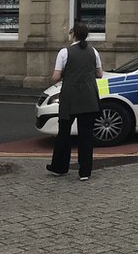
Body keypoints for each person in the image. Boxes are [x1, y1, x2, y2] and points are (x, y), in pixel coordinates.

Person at [46, 23, 103, 181]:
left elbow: (56, 77)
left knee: (63, 133)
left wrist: (67, 72)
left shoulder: (65, 52)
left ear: (73, 35)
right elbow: (100, 74)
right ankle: (85, 171)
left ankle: (59, 167)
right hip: (89, 97)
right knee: (86, 136)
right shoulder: (93, 51)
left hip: (70, 98)